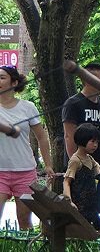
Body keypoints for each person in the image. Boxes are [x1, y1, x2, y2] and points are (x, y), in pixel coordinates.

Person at [0, 66, 52, 229]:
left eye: (2, 77)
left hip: (25, 171)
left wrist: (49, 165)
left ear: (14, 82)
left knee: (24, 220)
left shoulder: (28, 107)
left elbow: (42, 137)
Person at [62, 62, 100, 216]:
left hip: (99, 166)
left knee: (98, 211)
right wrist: (76, 163)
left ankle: (96, 238)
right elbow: (68, 135)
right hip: (80, 168)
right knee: (81, 212)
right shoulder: (73, 103)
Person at [63, 123, 100, 231]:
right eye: (92, 142)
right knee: (84, 231)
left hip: (90, 204)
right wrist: (69, 201)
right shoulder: (75, 160)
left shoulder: (89, 158)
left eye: (97, 142)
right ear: (82, 140)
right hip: (79, 205)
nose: (95, 145)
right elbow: (67, 181)